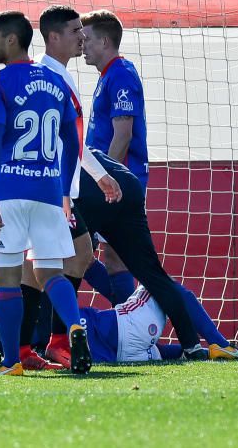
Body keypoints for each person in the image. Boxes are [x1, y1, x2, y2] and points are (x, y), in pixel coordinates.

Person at [0, 10, 89, 376]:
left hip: (9, 191)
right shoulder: (56, 84)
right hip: (47, 191)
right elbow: (72, 141)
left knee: (8, 279)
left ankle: (11, 362)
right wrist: (64, 189)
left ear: (11, 40)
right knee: (51, 272)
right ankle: (73, 326)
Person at [27, 5, 122, 369]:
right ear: (54, 37)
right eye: (75, 30)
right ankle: (46, 341)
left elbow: (72, 138)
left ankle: (40, 343)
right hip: (48, 190)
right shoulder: (46, 77)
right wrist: (101, 174)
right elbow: (69, 140)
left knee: (65, 260)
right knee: (40, 268)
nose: (83, 36)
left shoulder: (58, 75)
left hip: (60, 189)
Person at [74, 148, 208, 359]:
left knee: (66, 267)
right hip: (126, 184)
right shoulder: (88, 148)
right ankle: (193, 345)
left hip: (89, 191)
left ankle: (51, 340)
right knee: (154, 275)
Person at [82, 9, 148, 303]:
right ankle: (129, 320)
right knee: (97, 256)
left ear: (105, 41)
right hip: (107, 180)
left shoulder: (120, 74)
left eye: (87, 39)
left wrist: (102, 179)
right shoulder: (109, 75)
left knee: (96, 256)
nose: (82, 45)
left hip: (114, 182)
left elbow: (123, 135)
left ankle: (132, 322)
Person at [81, 284, 238, 363]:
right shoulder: (60, 300)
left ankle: (209, 353)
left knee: (160, 351)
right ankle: (221, 345)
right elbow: (87, 263)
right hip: (126, 325)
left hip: (122, 358)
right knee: (158, 283)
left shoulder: (58, 343)